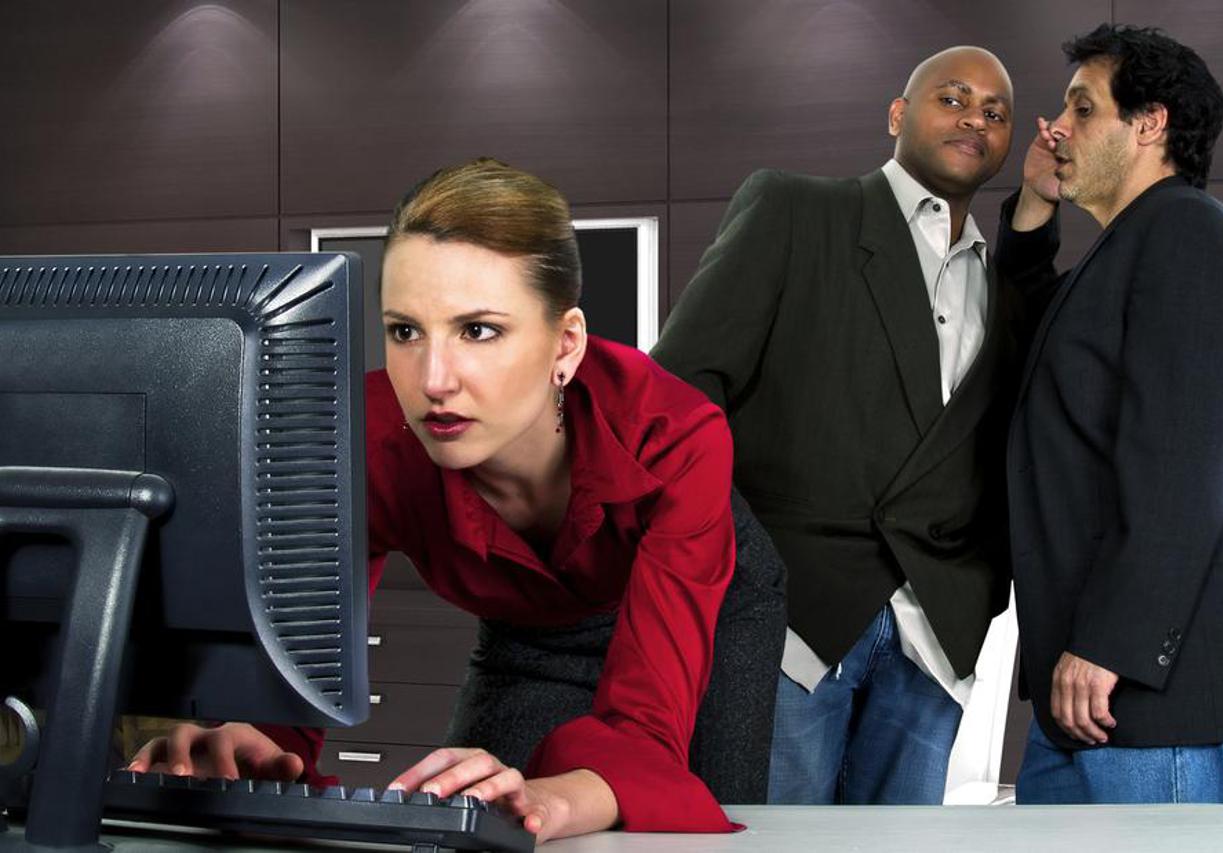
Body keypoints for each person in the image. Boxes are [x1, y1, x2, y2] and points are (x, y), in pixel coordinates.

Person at [127, 159, 787, 841]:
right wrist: (258, 738)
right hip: (527, 629)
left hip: (708, 601)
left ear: (565, 345)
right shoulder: (356, 439)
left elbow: (647, 728)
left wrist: (563, 799)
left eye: (478, 330)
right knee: (474, 818)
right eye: (405, 331)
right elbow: (304, 648)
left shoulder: (676, 434)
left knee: (693, 817)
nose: (433, 381)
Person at [650, 46, 1020, 804]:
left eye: (994, 112)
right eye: (952, 99)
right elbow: (678, 390)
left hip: (934, 636)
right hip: (793, 620)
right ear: (897, 115)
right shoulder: (795, 210)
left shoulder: (1003, 282)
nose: (974, 120)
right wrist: (737, 557)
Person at [996, 23, 1223, 803]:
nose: (1057, 127)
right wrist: (1034, 201)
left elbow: (1183, 466)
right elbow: (1029, 341)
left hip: (1147, 686)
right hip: (1084, 687)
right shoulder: (1122, 248)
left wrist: (1110, 643)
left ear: (1149, 123)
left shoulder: (1187, 230)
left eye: (1082, 108)